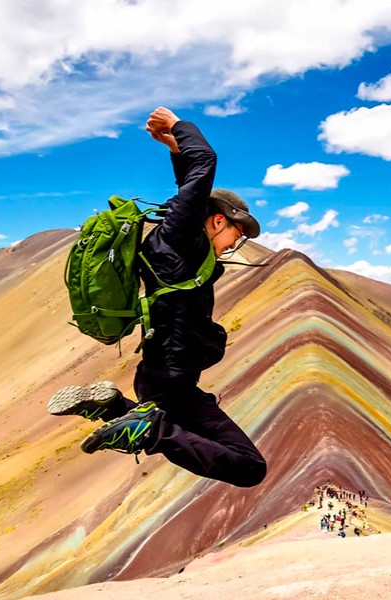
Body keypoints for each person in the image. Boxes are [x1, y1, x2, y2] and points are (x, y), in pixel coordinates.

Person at [47, 107, 266, 489]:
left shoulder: (177, 242)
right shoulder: (182, 237)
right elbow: (205, 166)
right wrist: (179, 127)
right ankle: (143, 429)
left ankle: (114, 409)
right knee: (249, 467)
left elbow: (190, 188)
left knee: (175, 427)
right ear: (217, 221)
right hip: (172, 377)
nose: (236, 242)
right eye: (237, 231)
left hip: (162, 375)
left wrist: (174, 150)